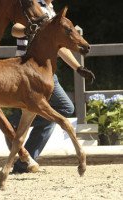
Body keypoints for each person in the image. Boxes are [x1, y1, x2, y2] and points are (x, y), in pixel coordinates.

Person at [9, 0, 95, 173]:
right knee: (61, 108)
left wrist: (77, 67)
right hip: (26, 70)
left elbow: (60, 46)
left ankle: (19, 141)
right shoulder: (34, 5)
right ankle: (12, 131)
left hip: (45, 72)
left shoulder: (51, 10)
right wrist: (28, 29)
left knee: (64, 107)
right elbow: (14, 29)